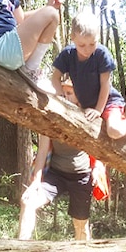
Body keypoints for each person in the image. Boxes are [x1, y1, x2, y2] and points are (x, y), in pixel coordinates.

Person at [18, 79, 106, 241]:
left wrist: (98, 167)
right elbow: (43, 151)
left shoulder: (89, 119)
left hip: (82, 175)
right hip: (55, 174)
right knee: (28, 201)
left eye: (69, 93)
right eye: (63, 92)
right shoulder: (51, 119)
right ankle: (20, 251)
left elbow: (99, 150)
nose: (64, 96)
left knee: (81, 225)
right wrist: (35, 182)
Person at [50, 10, 126, 143]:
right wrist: (61, 98)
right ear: (72, 37)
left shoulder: (102, 54)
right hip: (85, 106)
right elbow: (55, 78)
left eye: (92, 44)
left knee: (114, 131)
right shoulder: (67, 55)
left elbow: (105, 85)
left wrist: (98, 110)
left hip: (109, 102)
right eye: (82, 45)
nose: (87, 49)